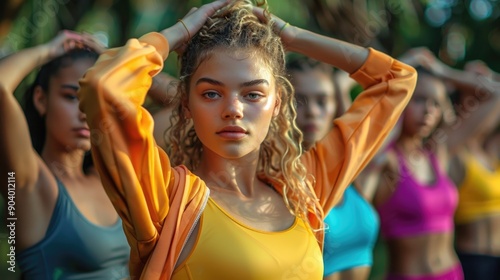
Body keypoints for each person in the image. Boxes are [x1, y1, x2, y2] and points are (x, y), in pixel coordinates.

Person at [77, 0, 417, 278]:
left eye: (253, 94)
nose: (233, 110)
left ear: (277, 105)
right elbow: (105, 88)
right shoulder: (167, 202)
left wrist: (291, 36)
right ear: (186, 105)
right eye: (211, 94)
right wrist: (180, 31)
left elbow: (396, 80)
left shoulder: (303, 191)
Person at [0, 31, 130, 279]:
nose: (84, 113)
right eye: (71, 97)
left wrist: (114, 58)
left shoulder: (110, 179)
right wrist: (47, 51)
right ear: (41, 99)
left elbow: (184, 112)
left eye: (94, 100)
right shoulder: (32, 184)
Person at [373, 48, 500, 280]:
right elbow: (374, 100)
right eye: (419, 100)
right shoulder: (384, 160)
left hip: (452, 274)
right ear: (402, 100)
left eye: (435, 103)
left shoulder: (437, 153)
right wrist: (403, 66)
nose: (428, 111)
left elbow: (496, 95)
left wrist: (442, 71)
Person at [287, 56, 379, 280]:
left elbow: (395, 82)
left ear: (334, 105)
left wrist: (340, 83)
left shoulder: (348, 166)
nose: (312, 112)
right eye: (299, 100)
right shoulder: (277, 177)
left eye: (322, 101)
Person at [448, 61, 500, 280]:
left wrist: (490, 76)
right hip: (473, 262)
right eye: (476, 93)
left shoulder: (491, 149)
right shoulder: (453, 150)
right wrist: (448, 74)